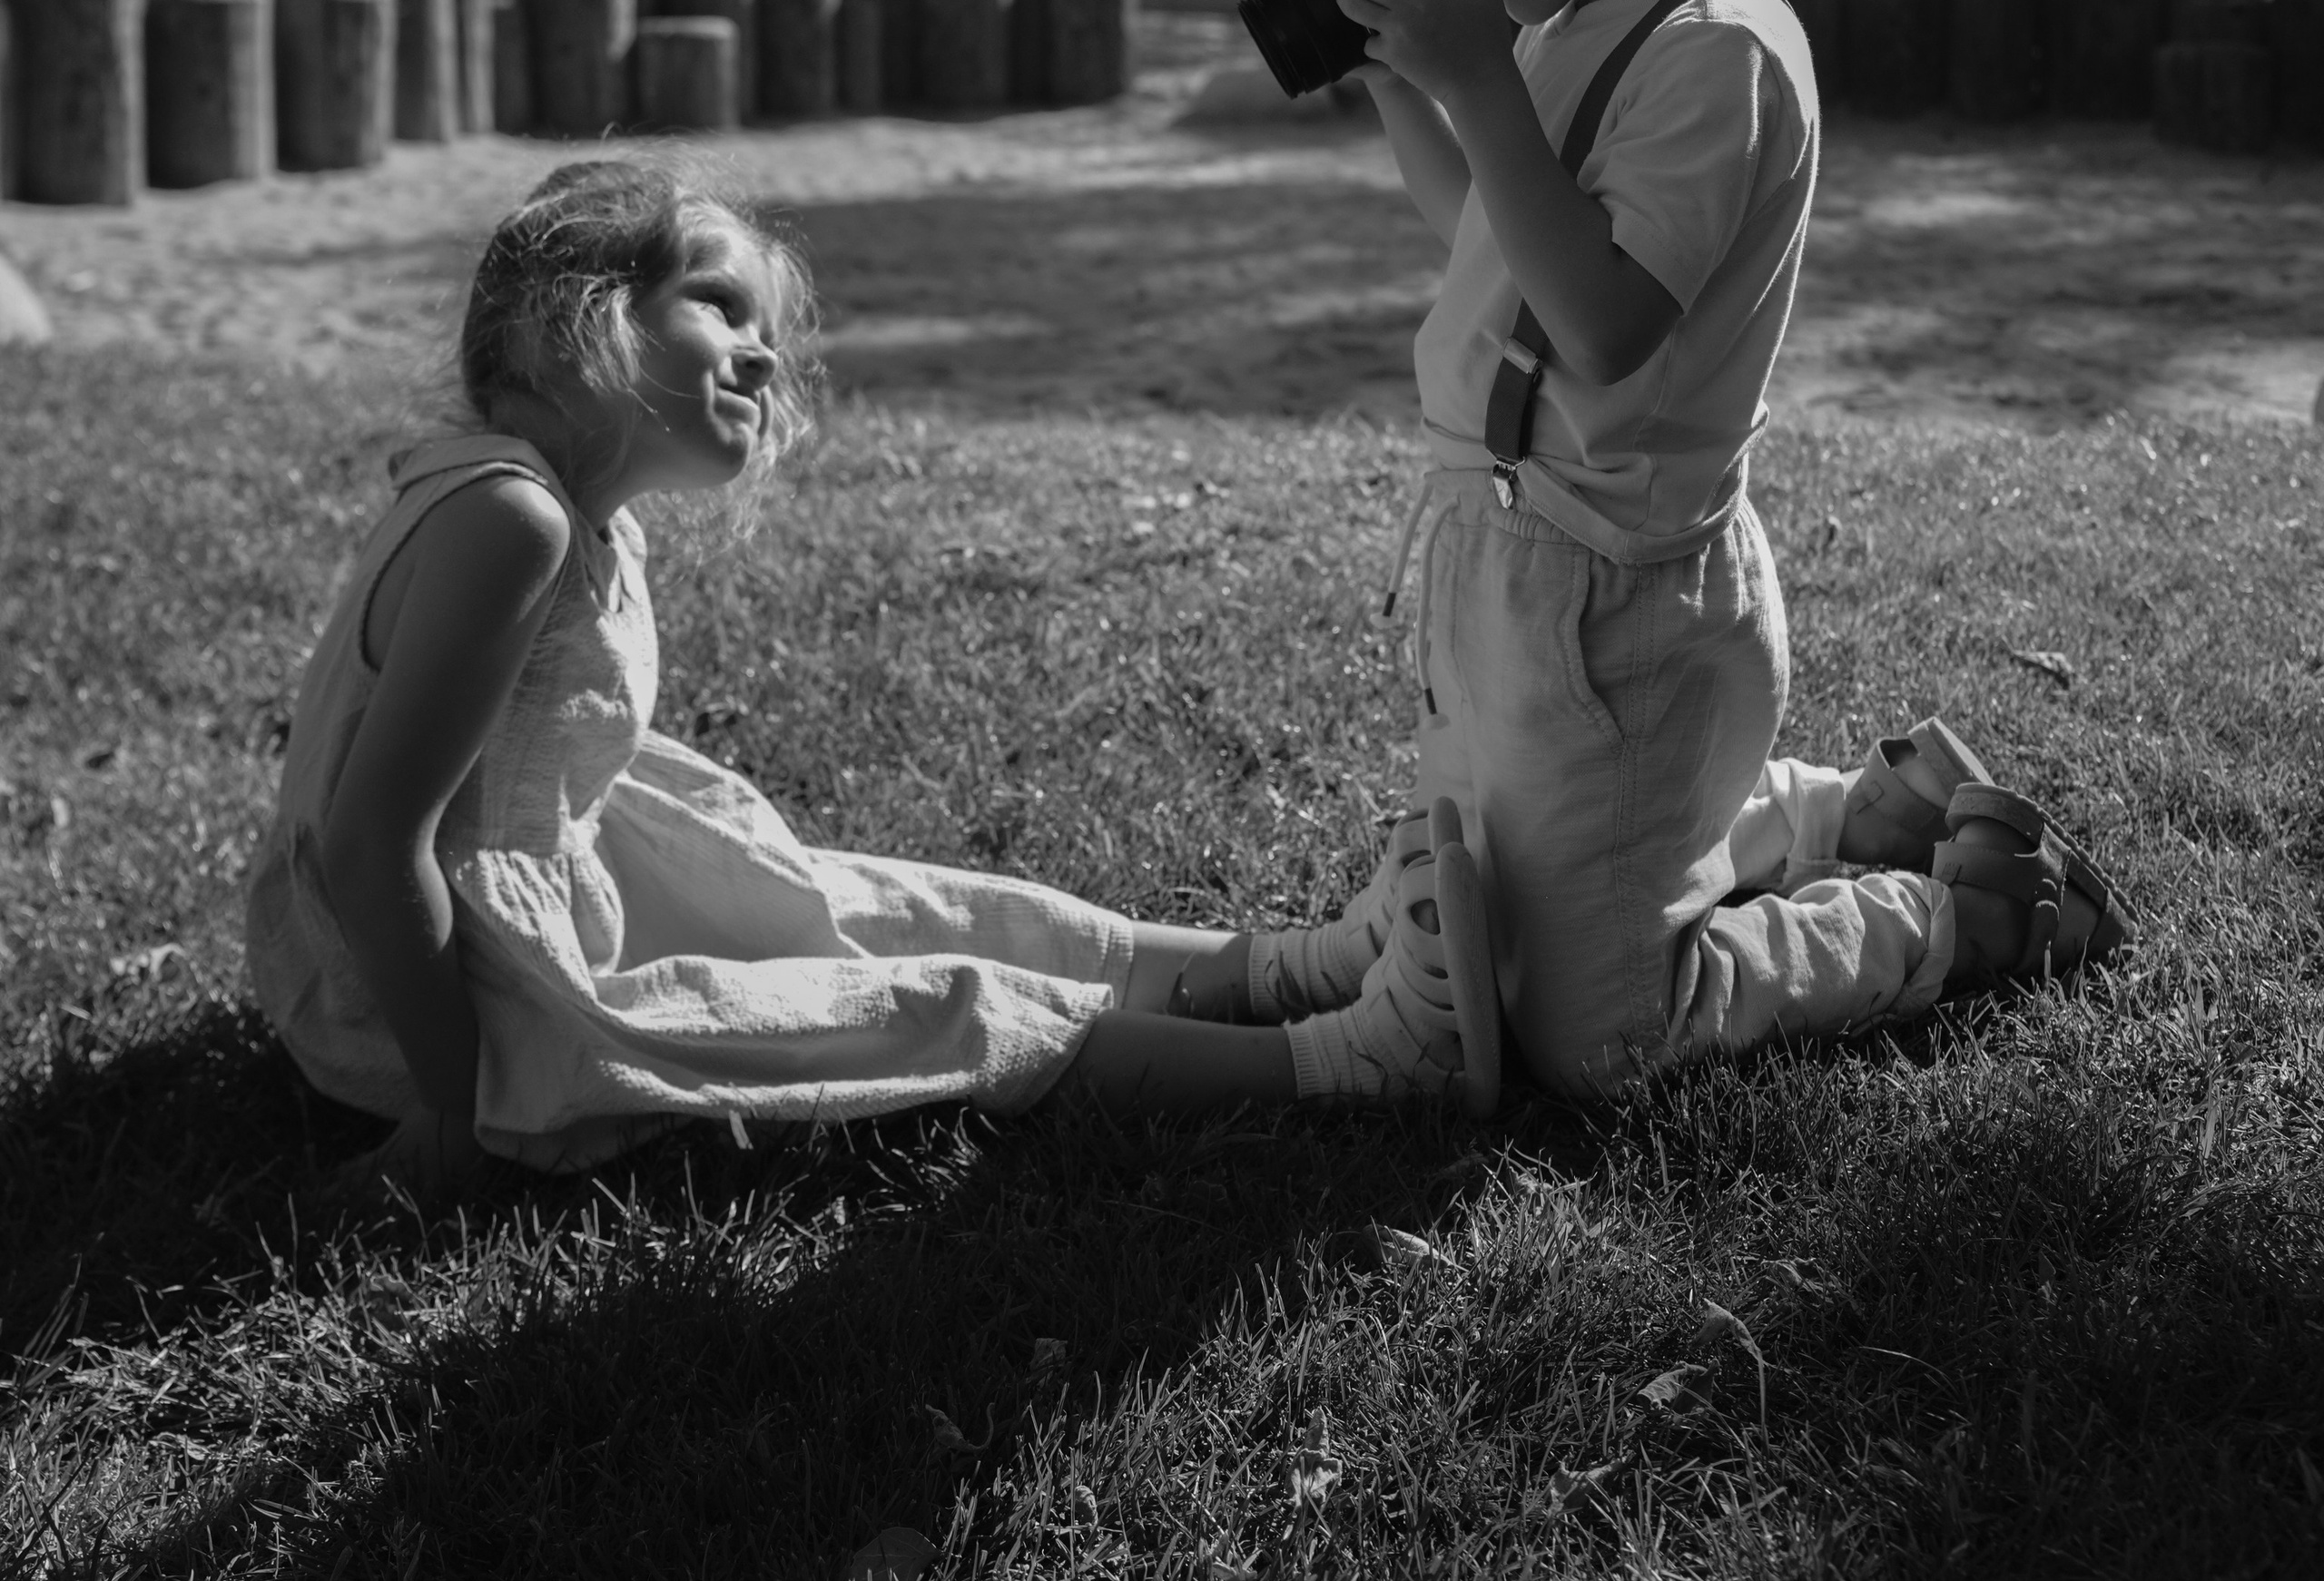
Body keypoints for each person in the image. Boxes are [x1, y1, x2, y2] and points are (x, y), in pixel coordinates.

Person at [1182, 0, 2130, 1094]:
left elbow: (1608, 327)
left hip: (1622, 600)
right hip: (1516, 559)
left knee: (1596, 1028)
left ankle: (1954, 917)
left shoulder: (1718, 54)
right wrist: (1399, 76)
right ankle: (1839, 807)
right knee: (1529, 885)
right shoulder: (1562, 21)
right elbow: (1489, 232)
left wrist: (1483, 78)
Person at [244, 156, 1498, 1193]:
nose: (762, 354)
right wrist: (454, 1121)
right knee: (926, 1004)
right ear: (579, 312)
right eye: (720, 306)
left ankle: (1288, 968)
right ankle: (1357, 1060)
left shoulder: (551, 506)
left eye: (767, 331)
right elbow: (368, 842)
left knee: (865, 902)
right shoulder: (508, 516)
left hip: (520, 888)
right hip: (424, 993)